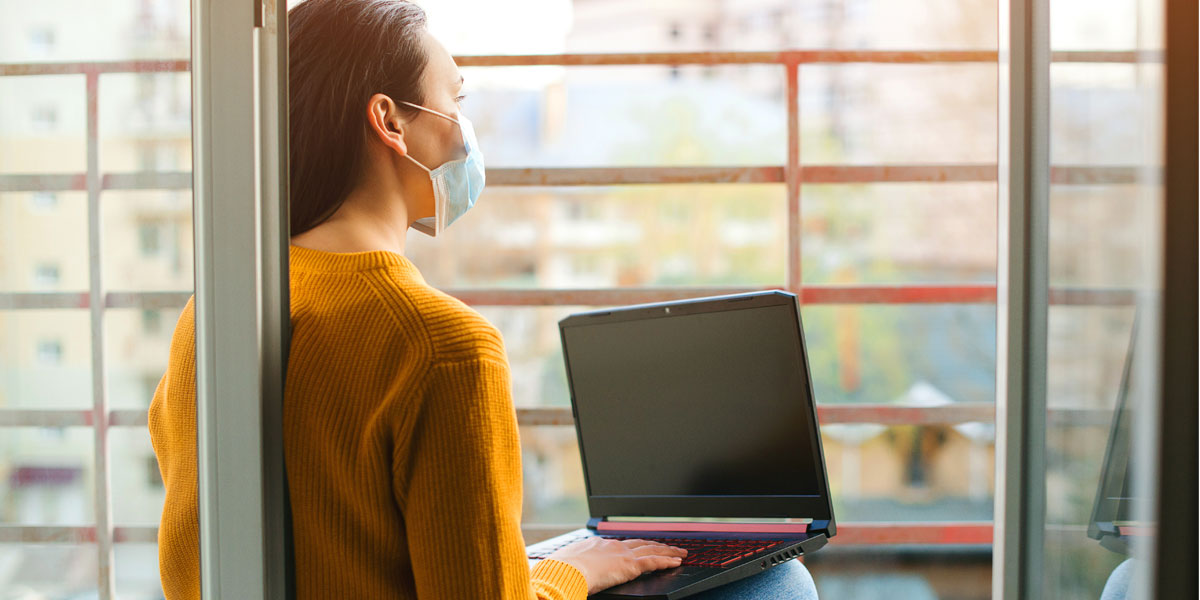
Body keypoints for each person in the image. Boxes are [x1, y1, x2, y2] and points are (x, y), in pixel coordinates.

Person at [149, 0, 817, 598]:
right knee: (780, 581)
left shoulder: (211, 315)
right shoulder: (440, 345)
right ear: (389, 121)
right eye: (456, 101)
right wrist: (568, 572)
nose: (465, 131)